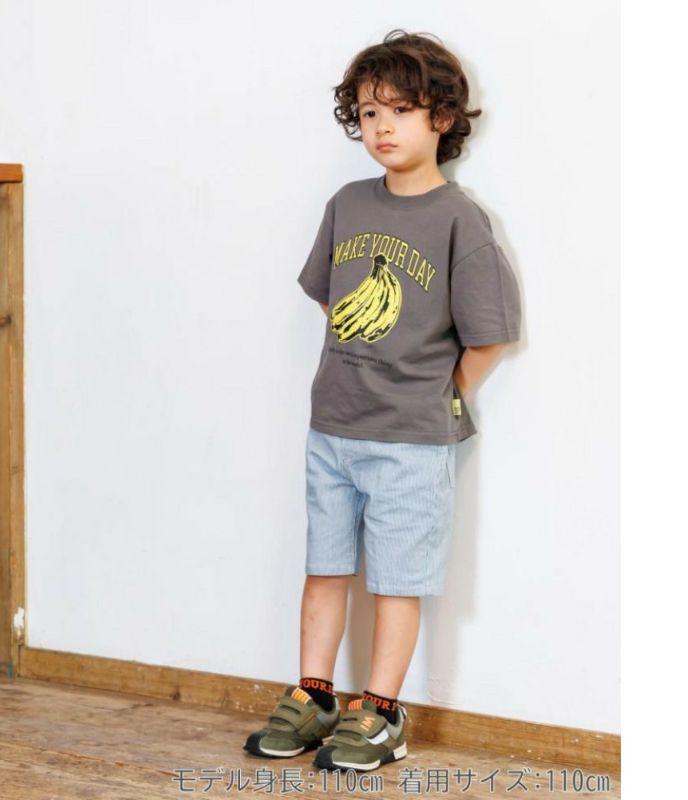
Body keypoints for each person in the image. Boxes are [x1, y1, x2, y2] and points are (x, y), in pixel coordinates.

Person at [243, 28, 522, 773]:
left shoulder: (460, 220)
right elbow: (328, 297)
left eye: (400, 110)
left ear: (442, 119)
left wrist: (443, 395)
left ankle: (383, 713)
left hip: (411, 442)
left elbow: (490, 335)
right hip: (332, 428)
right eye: (369, 113)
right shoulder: (347, 204)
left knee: (398, 581)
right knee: (325, 568)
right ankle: (314, 696)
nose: (382, 127)